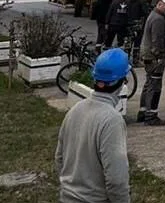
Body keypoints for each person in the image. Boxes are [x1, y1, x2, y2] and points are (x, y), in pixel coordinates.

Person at [56, 47, 131, 203]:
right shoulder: (112, 120)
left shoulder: (75, 110)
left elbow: (59, 158)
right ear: (122, 81)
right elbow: (117, 179)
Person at [138, 0, 165, 125]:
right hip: (155, 58)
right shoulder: (158, 19)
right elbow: (157, 41)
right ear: (160, 3)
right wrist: (160, 56)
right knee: (155, 86)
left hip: (148, 56)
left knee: (148, 84)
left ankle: (142, 112)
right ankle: (151, 116)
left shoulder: (153, 15)